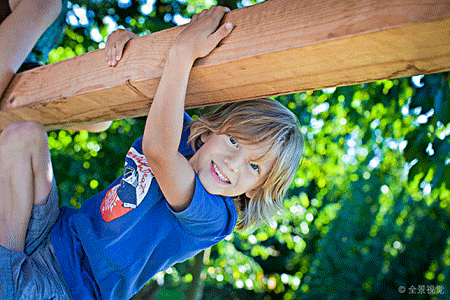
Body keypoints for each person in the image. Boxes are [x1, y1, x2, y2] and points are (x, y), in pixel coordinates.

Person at [0, 6, 303, 300]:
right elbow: (165, 90)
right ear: (211, 130)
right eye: (234, 141)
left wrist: (183, 52)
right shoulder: (183, 136)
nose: (233, 164)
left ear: (257, 189)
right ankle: (11, 259)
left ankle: (8, 273)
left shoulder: (214, 216)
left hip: (68, 287)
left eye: (254, 168)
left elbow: (158, 152)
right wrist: (132, 52)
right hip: (54, 234)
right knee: (24, 134)